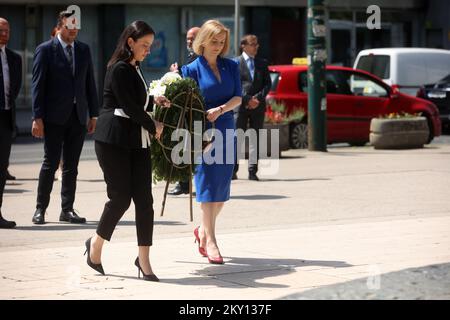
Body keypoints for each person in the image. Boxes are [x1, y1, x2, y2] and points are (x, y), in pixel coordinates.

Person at [86, 20, 168, 281]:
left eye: (150, 46)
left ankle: (143, 261)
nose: (148, 50)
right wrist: (153, 123)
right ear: (130, 42)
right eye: (144, 45)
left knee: (145, 201)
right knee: (120, 198)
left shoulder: (136, 67)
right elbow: (128, 107)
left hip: (136, 140)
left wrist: (155, 101)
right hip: (113, 140)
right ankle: (95, 246)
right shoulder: (118, 68)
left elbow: (138, 102)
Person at [181, 20, 242, 264]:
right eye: (214, 41)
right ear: (203, 42)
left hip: (226, 127)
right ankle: (211, 240)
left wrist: (221, 109)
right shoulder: (191, 70)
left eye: (221, 42)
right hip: (203, 131)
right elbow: (187, 104)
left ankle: (203, 231)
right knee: (207, 183)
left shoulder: (231, 66)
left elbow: (239, 96)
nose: (218, 46)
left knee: (222, 188)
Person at [31, 10, 99, 225]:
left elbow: (90, 83)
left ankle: (67, 209)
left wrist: (94, 114)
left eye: (76, 27)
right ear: (60, 26)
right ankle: (40, 209)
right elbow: (37, 85)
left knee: (71, 166)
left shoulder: (83, 50)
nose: (73, 31)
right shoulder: (45, 50)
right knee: (50, 163)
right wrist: (37, 116)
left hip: (78, 116)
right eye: (69, 27)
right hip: (53, 117)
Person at [233, 34, 271, 181]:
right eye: (252, 44)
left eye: (257, 44)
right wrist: (247, 99)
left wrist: (258, 99)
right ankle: (233, 170)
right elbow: (235, 85)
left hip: (258, 106)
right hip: (240, 106)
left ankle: (252, 171)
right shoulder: (235, 63)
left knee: (255, 139)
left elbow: (267, 84)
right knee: (237, 138)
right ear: (243, 45)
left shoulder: (262, 63)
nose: (256, 47)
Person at [168, 26, 200, 196]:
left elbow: (192, 81)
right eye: (188, 38)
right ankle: (184, 184)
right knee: (184, 146)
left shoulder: (201, 58)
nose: (189, 41)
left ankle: (186, 183)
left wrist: (177, 73)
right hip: (187, 109)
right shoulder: (191, 57)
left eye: (192, 38)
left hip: (196, 110)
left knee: (190, 147)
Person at [0, 17, 22, 229]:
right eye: (1, 30)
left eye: (7, 30)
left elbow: (14, 89)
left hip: (6, 119)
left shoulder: (14, 58)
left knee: (1, 168)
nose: (4, 33)